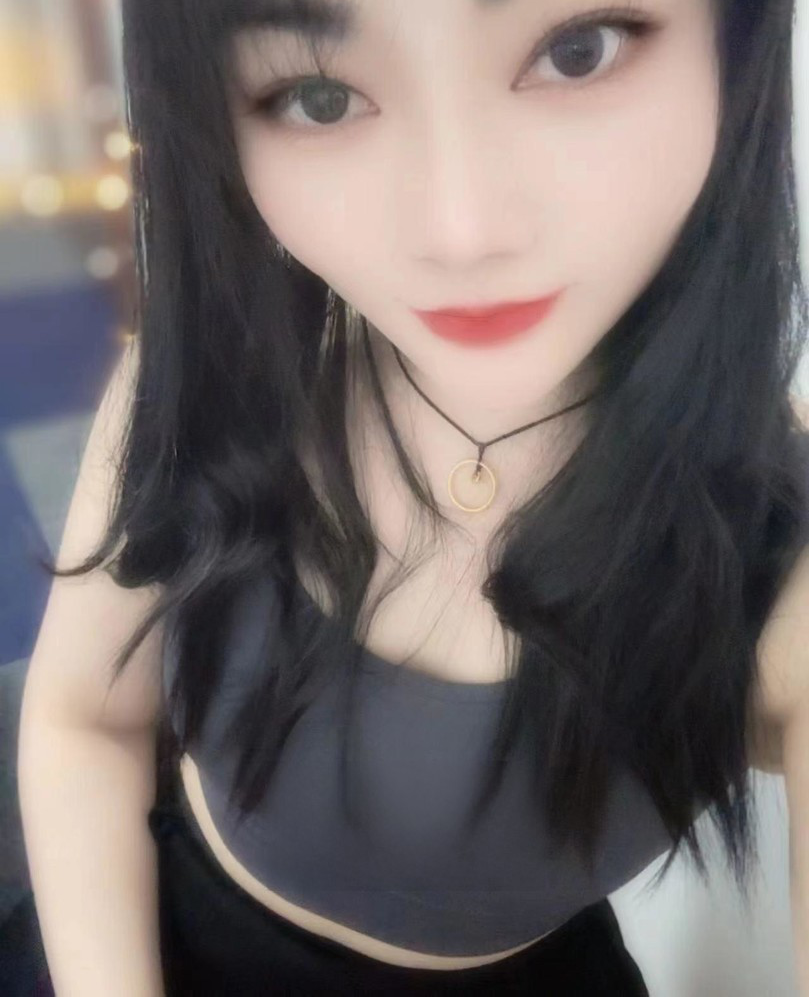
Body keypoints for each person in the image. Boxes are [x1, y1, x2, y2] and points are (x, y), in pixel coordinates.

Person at [15, 0, 809, 994]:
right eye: (317, 96)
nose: (460, 232)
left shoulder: (775, 539)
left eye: (576, 53)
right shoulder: (208, 387)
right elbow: (84, 723)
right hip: (156, 932)